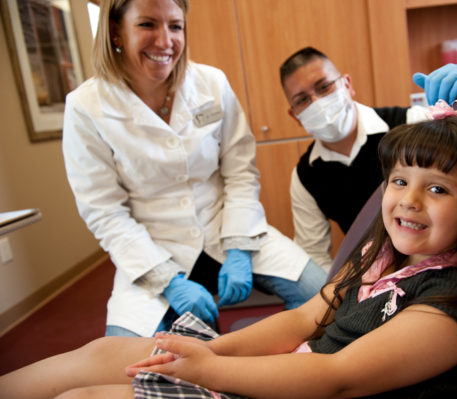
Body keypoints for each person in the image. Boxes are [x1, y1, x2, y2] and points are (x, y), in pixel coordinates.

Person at [0, 102, 457, 398]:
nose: (408, 200)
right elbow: (303, 320)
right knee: (105, 354)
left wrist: (208, 371)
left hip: (306, 386)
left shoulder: (455, 304)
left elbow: (333, 379)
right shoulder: (381, 259)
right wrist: (212, 351)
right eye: (399, 180)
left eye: (437, 189)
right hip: (288, 370)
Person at [61, 0, 326, 338]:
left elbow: (240, 172)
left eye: (175, 26)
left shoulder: (211, 83)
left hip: (226, 226)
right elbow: (106, 212)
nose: (164, 41)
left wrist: (240, 249)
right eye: (147, 25)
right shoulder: (86, 107)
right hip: (152, 247)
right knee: (125, 363)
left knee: (322, 301)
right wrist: (168, 282)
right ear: (116, 31)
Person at [280, 47, 457, 272]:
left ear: (347, 85)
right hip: (376, 273)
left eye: (324, 87)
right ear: (294, 115)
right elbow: (315, 256)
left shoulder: (414, 124)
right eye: (302, 99)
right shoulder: (305, 176)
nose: (317, 102)